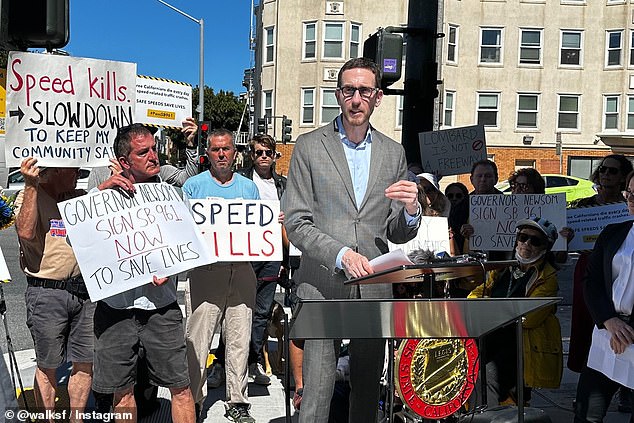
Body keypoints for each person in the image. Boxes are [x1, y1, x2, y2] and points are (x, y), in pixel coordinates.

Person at [282, 57, 421, 423]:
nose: (355, 99)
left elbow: (394, 230)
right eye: (348, 90)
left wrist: (411, 210)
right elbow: (296, 221)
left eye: (364, 91)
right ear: (338, 95)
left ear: (377, 97)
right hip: (322, 285)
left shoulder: (393, 152)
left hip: (374, 288)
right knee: (316, 392)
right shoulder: (310, 147)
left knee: (366, 392)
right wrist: (341, 254)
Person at [91, 123, 196, 423]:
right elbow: (78, 240)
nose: (153, 155)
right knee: (122, 394)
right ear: (124, 162)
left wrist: (173, 266)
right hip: (116, 311)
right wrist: (99, 195)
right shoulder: (103, 192)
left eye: (154, 148)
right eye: (143, 152)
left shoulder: (172, 195)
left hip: (161, 310)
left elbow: (190, 248)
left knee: (181, 389)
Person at [183, 128, 260, 423]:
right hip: (206, 271)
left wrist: (270, 221)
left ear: (234, 151)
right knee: (197, 340)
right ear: (208, 153)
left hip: (241, 270)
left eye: (226, 149)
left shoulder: (248, 188)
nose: (221, 154)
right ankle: (194, 399)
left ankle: (238, 401)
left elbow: (256, 229)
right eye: (216, 150)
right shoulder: (193, 186)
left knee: (239, 339)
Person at [15, 160, 94, 422]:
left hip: (83, 292)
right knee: (48, 364)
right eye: (75, 171)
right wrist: (30, 184)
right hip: (47, 292)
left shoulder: (76, 197)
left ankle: (76, 418)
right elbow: (25, 232)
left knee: (84, 361)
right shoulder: (31, 194)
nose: (78, 176)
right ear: (58, 169)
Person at [209, 134, 288, 388]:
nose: (263, 156)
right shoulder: (241, 181)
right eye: (258, 152)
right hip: (244, 255)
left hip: (271, 256)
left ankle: (252, 361)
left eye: (268, 152)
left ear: (275, 156)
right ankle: (221, 363)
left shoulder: (282, 186)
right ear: (251, 156)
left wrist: (285, 256)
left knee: (262, 312)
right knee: (233, 310)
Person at [469, 217, 563, 405]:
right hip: (490, 336)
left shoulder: (548, 278)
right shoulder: (502, 269)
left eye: (535, 241)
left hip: (520, 345)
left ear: (545, 248)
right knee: (467, 370)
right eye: (523, 237)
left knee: (487, 375)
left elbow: (529, 317)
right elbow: (474, 296)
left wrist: (489, 306)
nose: (526, 243)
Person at [573, 169, 634, 423]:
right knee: (587, 413)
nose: (632, 200)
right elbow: (592, 281)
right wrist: (609, 320)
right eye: (630, 194)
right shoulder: (613, 232)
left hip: (631, 334)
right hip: (606, 334)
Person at [445, 182, 469, 256]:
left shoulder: (471, 214)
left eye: (458, 196)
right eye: (450, 196)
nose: (454, 198)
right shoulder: (441, 213)